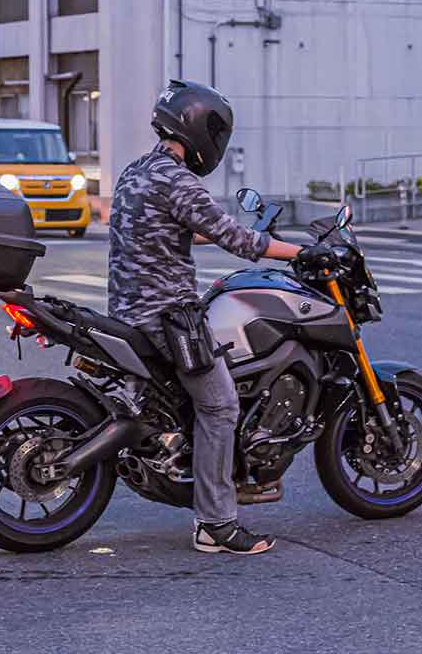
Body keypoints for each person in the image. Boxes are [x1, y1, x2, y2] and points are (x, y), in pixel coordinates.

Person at [108, 80, 308, 556]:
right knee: (220, 407)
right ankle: (216, 524)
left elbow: (174, 229)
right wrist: (303, 252)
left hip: (127, 308)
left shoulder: (136, 172)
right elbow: (240, 243)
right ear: (200, 130)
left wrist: (225, 231)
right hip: (167, 315)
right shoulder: (178, 180)